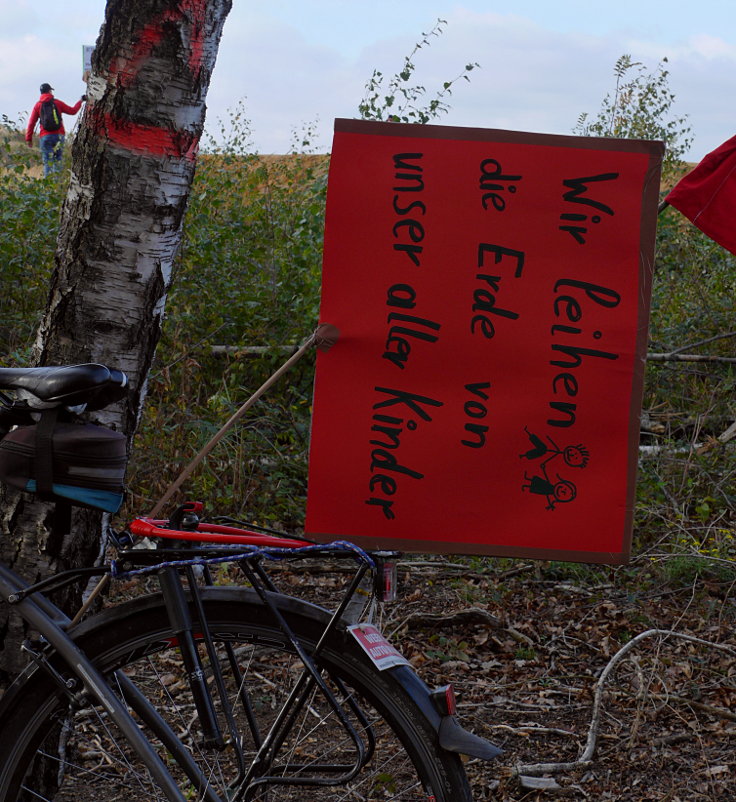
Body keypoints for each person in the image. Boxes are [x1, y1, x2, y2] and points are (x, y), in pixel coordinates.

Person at [25, 83, 85, 177]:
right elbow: (72, 111)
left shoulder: (38, 105)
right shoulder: (57, 103)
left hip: (45, 136)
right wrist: (80, 101)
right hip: (59, 135)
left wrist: (29, 139)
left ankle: (48, 189)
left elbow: (31, 123)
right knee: (58, 160)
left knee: (47, 162)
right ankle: (57, 186)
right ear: (50, 91)